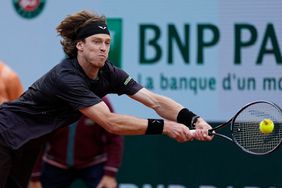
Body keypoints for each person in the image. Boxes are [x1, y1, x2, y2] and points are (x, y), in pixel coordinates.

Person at [0, 10, 213, 188]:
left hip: (26, 145)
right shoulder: (66, 77)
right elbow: (111, 123)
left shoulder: (110, 72)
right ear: (79, 45)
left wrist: (194, 120)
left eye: (107, 42)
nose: (103, 48)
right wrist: (166, 127)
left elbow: (154, 101)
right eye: (96, 42)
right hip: (4, 135)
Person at [28, 97, 123, 188]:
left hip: (94, 163)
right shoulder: (50, 100)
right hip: (55, 162)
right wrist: (34, 177)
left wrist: (110, 174)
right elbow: (37, 140)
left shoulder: (101, 101)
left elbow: (114, 138)